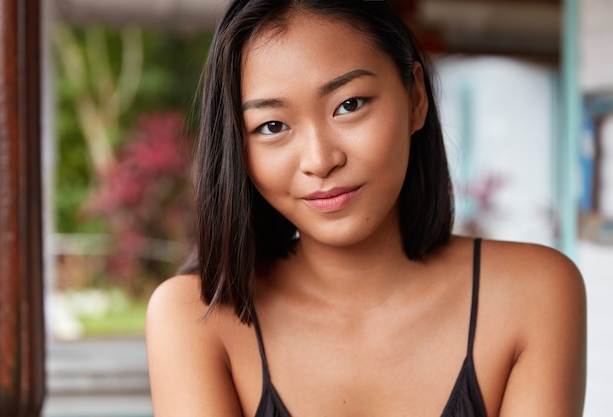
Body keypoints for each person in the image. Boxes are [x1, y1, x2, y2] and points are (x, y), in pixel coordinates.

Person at [145, 1, 587, 416]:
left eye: (349, 105)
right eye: (272, 126)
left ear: (415, 98)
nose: (319, 160)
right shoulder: (196, 317)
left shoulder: (533, 294)